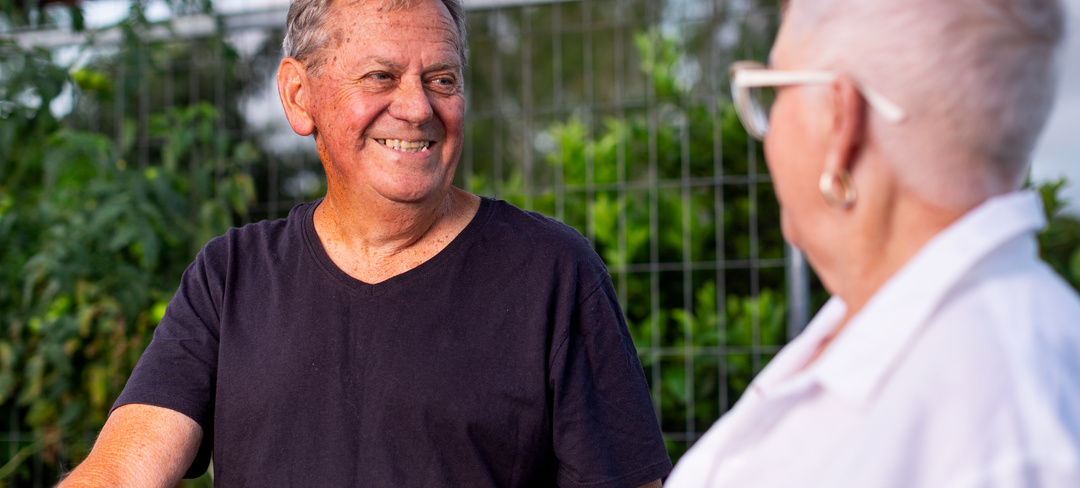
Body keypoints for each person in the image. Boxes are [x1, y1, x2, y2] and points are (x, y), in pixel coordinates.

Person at [58, 0, 671, 486]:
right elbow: (123, 472)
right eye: (381, 76)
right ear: (300, 98)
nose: (416, 107)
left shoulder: (552, 273)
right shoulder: (232, 276)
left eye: (442, 78)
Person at [666, 0, 1080, 486]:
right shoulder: (886, 327)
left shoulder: (1004, 435)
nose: (768, 133)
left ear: (840, 121)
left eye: (772, 91)